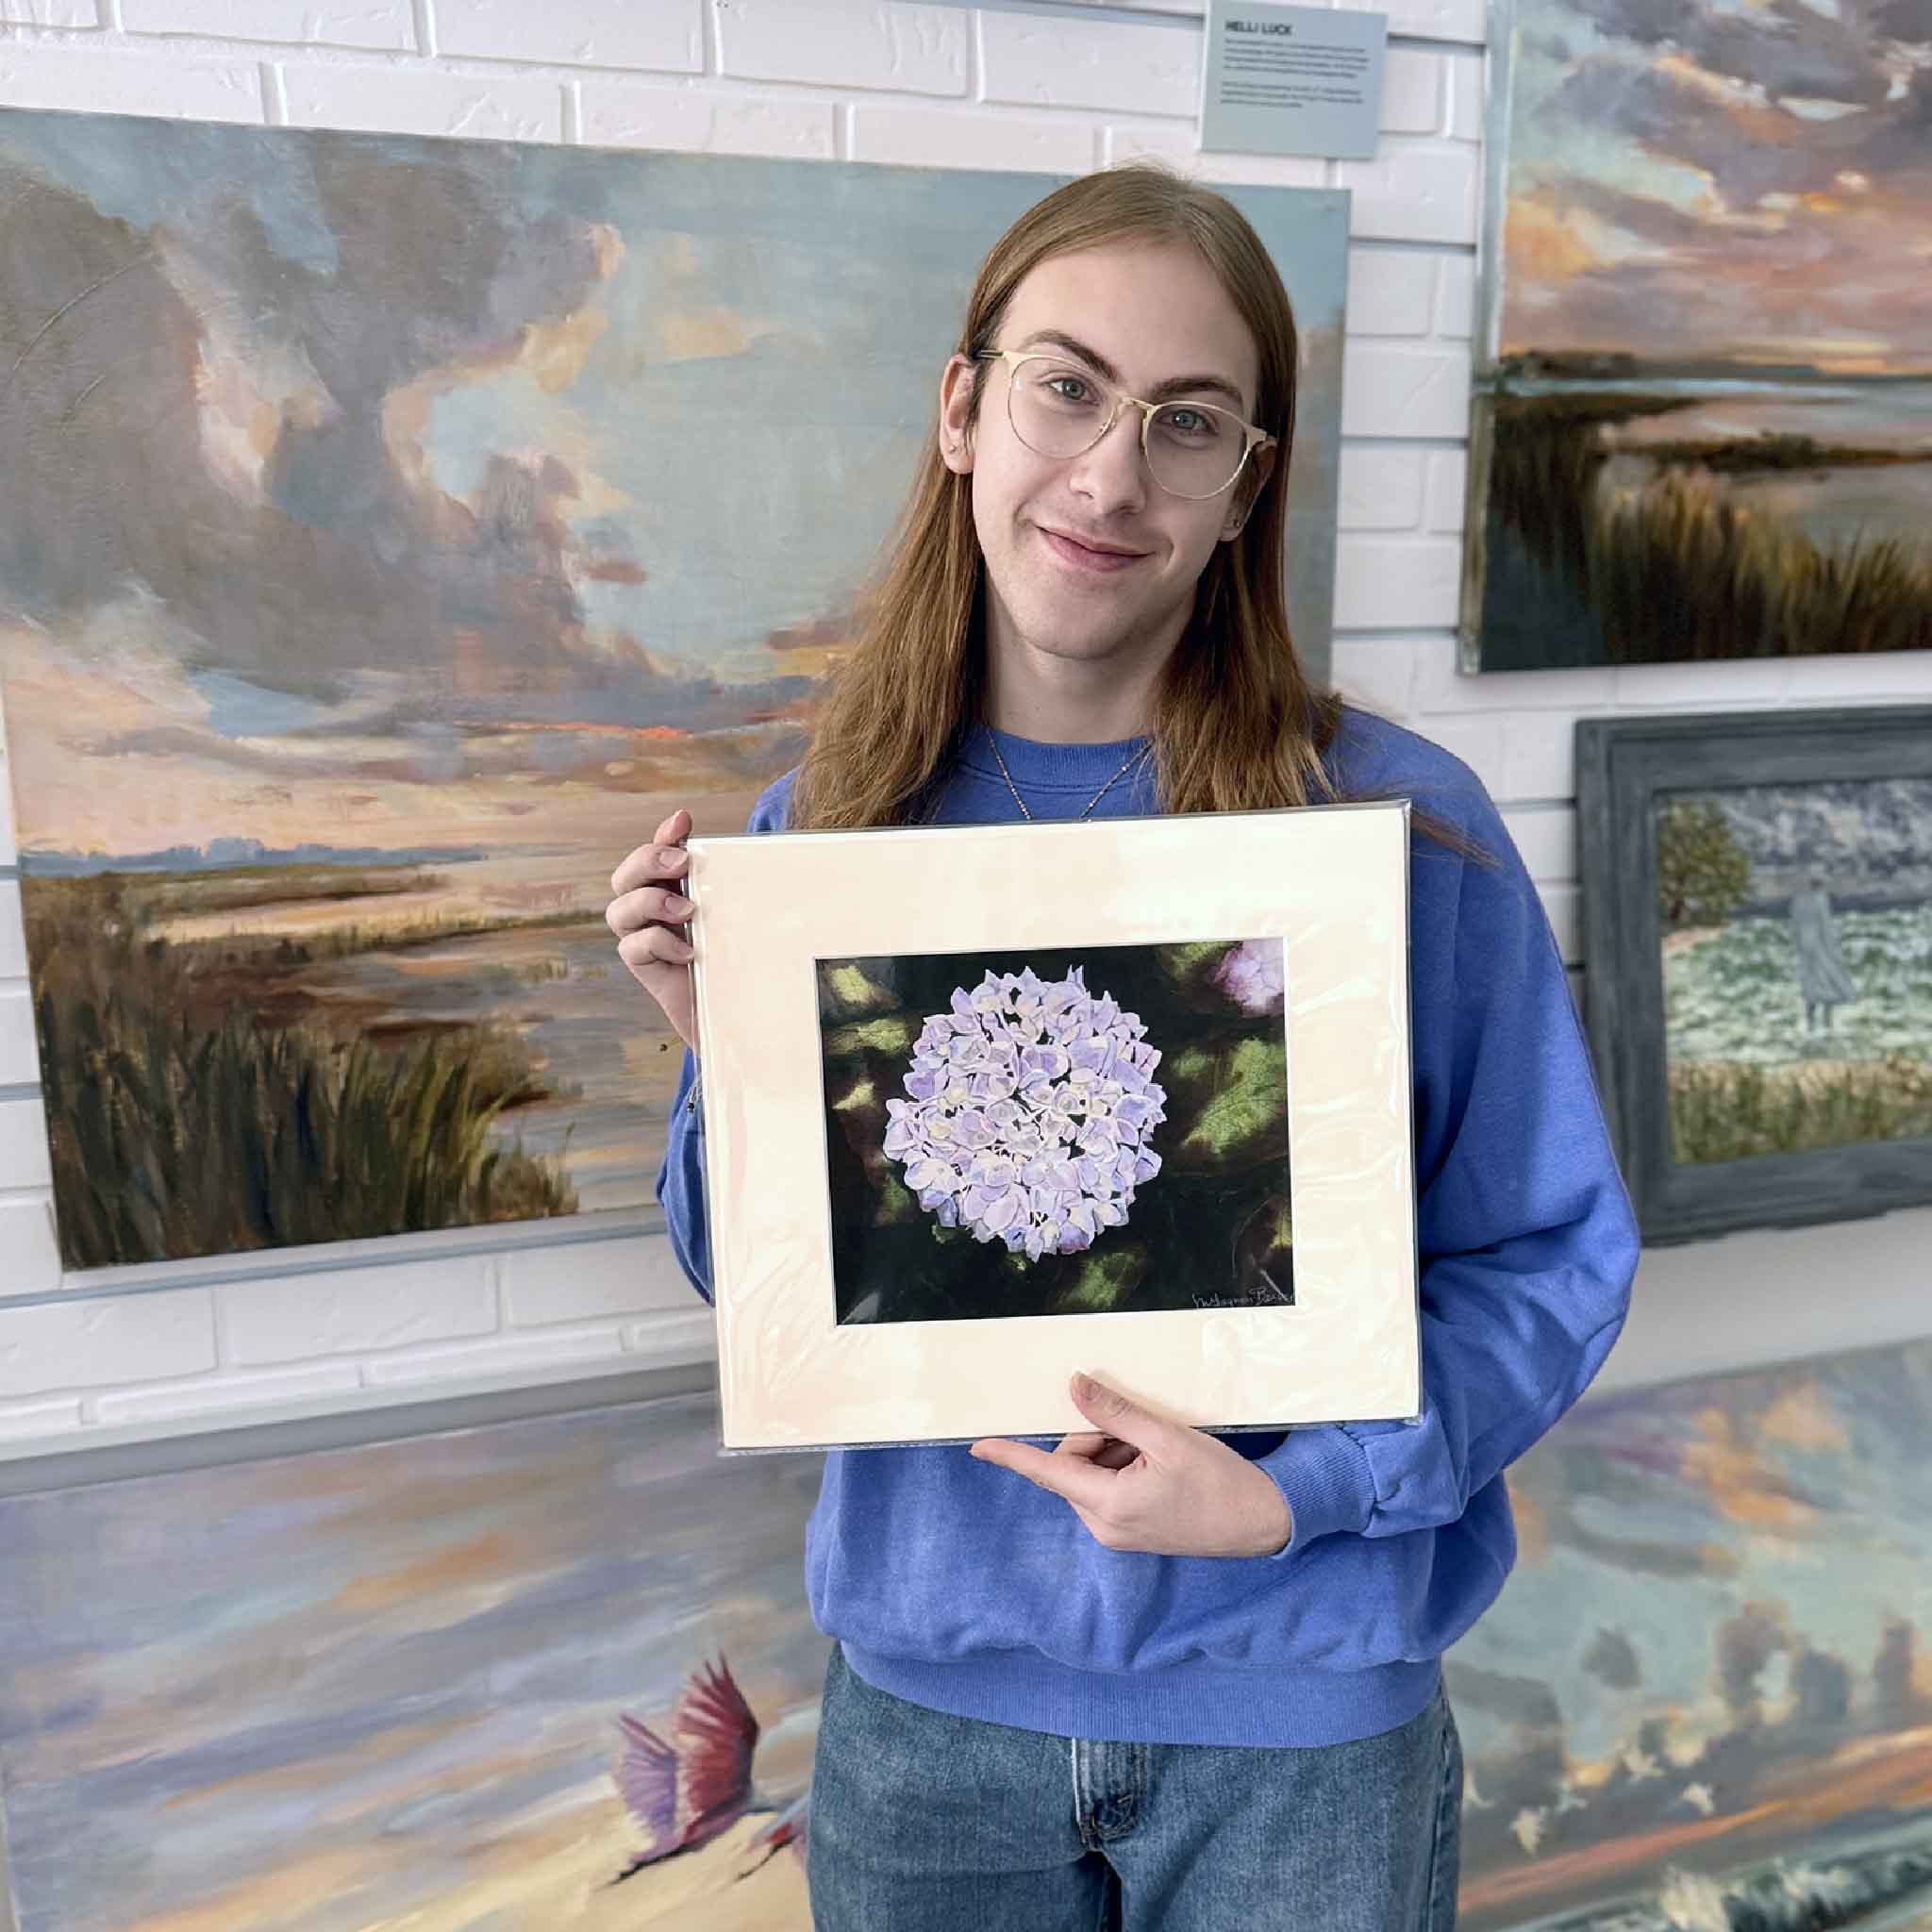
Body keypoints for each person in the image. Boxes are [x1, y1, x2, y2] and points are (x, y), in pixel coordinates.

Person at [605, 162, 1640, 1931]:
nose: (1107, 474)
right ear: (960, 408)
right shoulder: (824, 824)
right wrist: (732, 1051)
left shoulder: (1399, 827)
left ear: (1248, 487)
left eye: (1187, 422)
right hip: (927, 1729)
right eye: (1064, 387)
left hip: (1301, 1724)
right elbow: (766, 1291)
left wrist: (1292, 1496)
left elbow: (1546, 1258)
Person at [1790, 870, 1857, 1038]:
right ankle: (1827, 1023)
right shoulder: (1821, 900)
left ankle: (1811, 1024)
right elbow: (1826, 927)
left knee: (1810, 986)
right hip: (1820, 947)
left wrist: (1800, 946)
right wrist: (1834, 951)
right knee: (1828, 983)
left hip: (1806, 949)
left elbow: (1795, 927)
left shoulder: (1798, 901)